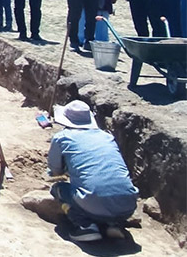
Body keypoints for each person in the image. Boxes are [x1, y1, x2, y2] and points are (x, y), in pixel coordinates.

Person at [48, 100, 139, 242]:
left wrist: (64, 171)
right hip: (127, 205)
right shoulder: (107, 137)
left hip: (92, 202)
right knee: (100, 193)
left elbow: (55, 170)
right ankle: (113, 224)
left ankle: (86, 227)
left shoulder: (62, 137)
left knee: (58, 189)